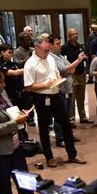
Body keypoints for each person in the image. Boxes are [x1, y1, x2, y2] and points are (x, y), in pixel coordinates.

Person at [23, 33, 85, 167]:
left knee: (66, 126)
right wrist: (46, 84)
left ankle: (72, 154)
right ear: (36, 47)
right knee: (44, 129)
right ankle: (49, 157)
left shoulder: (50, 58)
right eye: (45, 50)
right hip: (41, 98)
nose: (47, 52)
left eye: (48, 50)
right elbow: (28, 86)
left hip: (56, 95)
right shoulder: (30, 64)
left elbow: (56, 73)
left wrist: (58, 80)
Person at [50, 35, 86, 146]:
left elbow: (72, 69)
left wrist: (70, 68)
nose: (60, 45)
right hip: (61, 90)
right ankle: (60, 138)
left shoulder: (60, 56)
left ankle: (68, 135)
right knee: (60, 116)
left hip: (68, 89)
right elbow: (65, 70)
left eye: (60, 43)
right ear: (50, 45)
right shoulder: (51, 57)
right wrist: (78, 60)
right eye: (57, 44)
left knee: (67, 115)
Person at [62, 28, 92, 124]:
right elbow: (62, 62)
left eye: (76, 34)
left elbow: (84, 58)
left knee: (81, 96)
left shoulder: (80, 46)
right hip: (72, 75)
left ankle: (83, 117)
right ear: (68, 36)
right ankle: (71, 119)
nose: (75, 36)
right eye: (72, 34)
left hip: (81, 74)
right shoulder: (65, 48)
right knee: (72, 97)